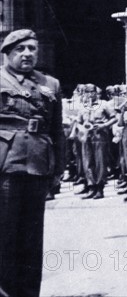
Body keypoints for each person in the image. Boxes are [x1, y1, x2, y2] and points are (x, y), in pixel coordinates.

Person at [0, 29, 65, 297]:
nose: (27, 54)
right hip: (5, 167)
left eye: (32, 49)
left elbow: (57, 131)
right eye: (20, 49)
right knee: (4, 236)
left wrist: (57, 170)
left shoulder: (50, 84)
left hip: (38, 167)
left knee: (30, 239)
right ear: (6, 53)